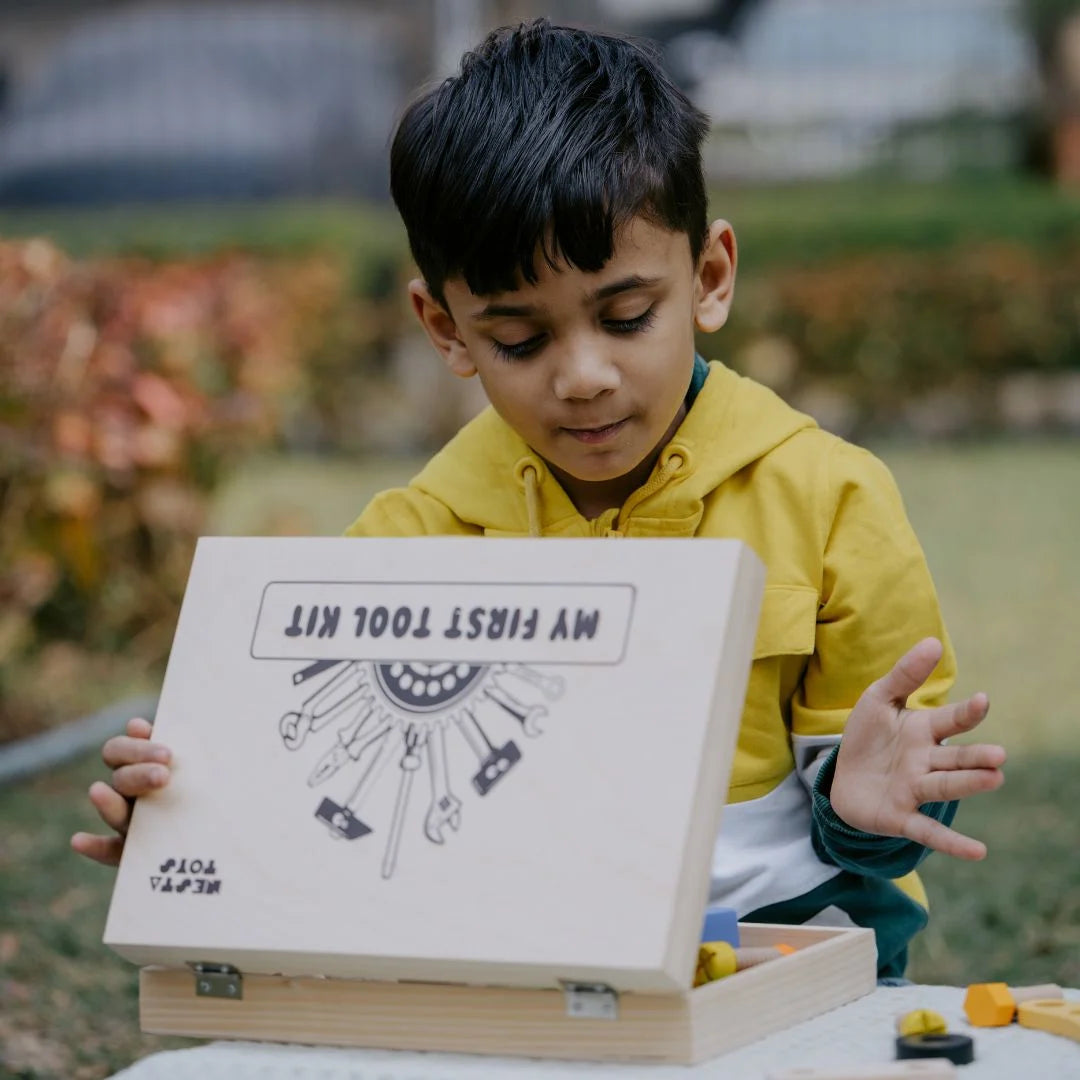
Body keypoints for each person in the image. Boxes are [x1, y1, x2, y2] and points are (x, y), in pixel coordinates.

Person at [71, 19, 1005, 980]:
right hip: (518, 972)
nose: (585, 376)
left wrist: (862, 807)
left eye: (627, 317)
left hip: (792, 959)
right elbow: (330, 808)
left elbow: (887, 822)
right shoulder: (406, 542)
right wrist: (194, 824)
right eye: (519, 340)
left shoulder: (831, 497)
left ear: (711, 277)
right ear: (446, 328)